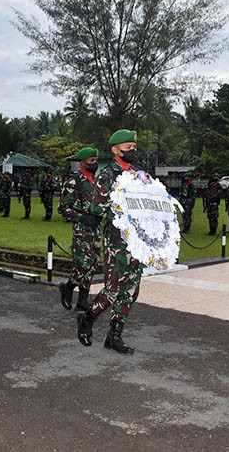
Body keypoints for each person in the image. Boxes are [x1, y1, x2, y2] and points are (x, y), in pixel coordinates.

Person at [76, 129, 144, 355]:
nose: (132, 151)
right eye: (128, 148)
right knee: (113, 289)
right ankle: (87, 317)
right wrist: (118, 204)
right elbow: (96, 206)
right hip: (117, 240)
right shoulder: (107, 175)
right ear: (115, 150)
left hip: (136, 241)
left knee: (131, 290)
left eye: (133, 148)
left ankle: (114, 336)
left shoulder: (138, 173)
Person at [58, 147, 102, 311]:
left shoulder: (97, 181)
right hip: (82, 229)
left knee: (92, 265)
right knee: (82, 265)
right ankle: (68, 287)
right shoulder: (73, 182)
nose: (94, 164)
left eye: (96, 161)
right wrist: (82, 217)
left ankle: (83, 300)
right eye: (91, 161)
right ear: (82, 162)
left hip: (96, 229)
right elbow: (63, 208)